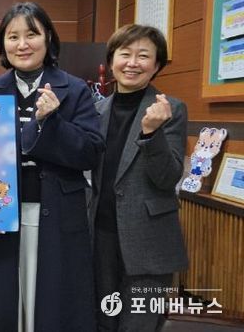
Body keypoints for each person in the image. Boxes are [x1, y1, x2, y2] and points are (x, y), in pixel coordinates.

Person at [0, 2, 104, 332]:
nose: (22, 44)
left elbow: (90, 153)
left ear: (48, 38)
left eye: (32, 34)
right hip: (2, 217)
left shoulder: (74, 89)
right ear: (3, 45)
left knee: (54, 305)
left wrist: (53, 122)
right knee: (5, 303)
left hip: (57, 213)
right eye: (13, 37)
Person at [90, 24, 188, 331]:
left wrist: (151, 134)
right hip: (101, 236)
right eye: (125, 54)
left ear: (156, 65)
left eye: (143, 56)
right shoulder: (96, 110)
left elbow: (167, 177)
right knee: (103, 322)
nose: (133, 63)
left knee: (139, 325)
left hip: (148, 240)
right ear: (111, 61)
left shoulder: (170, 109)